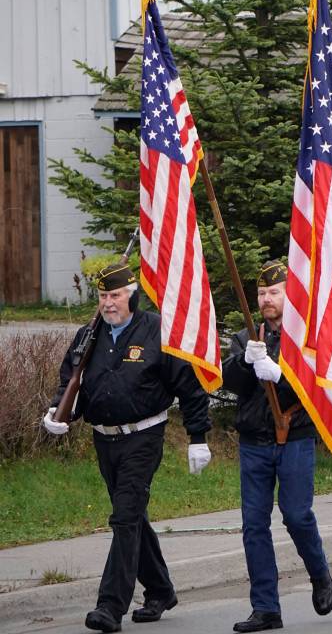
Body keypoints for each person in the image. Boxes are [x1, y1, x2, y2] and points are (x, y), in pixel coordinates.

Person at [43, 262, 211, 633]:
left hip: (143, 436)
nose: (109, 303)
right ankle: (160, 590)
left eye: (115, 295)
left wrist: (198, 437)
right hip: (104, 438)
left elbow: (190, 387)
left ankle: (110, 606)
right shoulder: (89, 335)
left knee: (124, 517)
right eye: (103, 296)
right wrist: (59, 412)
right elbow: (72, 379)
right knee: (132, 517)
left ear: (131, 295)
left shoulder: (156, 332)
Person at [223, 260, 332, 633]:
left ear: (291, 294)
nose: (267, 299)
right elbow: (230, 383)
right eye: (261, 293)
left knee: (296, 514)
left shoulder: (304, 339)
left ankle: (319, 573)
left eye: (274, 292)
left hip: (296, 439)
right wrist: (245, 361)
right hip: (254, 442)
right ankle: (266, 607)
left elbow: (316, 385)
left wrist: (281, 374)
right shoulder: (246, 336)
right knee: (253, 525)